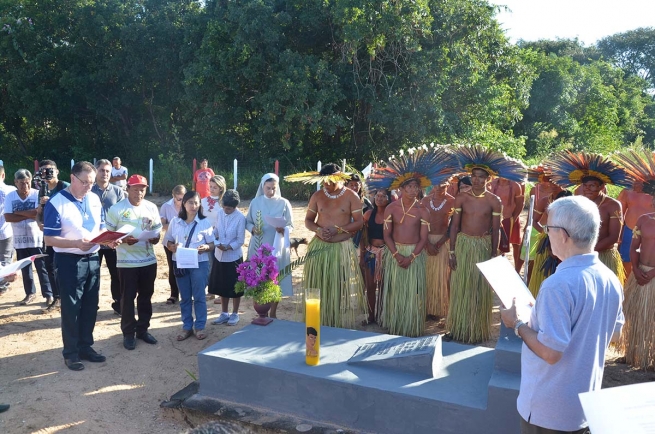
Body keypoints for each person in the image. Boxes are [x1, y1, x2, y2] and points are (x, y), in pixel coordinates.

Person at [501, 196, 624, 434]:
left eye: (548, 229)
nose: (547, 235)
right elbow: (616, 333)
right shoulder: (610, 278)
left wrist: (516, 324)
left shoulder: (558, 285)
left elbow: (550, 352)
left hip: (548, 410)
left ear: (564, 235)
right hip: (584, 405)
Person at [447, 145, 525, 343]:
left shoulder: (494, 201)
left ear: (488, 179)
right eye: (474, 176)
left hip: (483, 246)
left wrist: (493, 254)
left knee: (479, 289)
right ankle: (457, 329)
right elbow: (454, 226)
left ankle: (476, 331)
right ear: (470, 176)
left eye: (481, 176)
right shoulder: (461, 198)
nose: (477, 179)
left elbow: (496, 228)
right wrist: (452, 251)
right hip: (463, 245)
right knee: (460, 288)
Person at [44, 161, 110, 371]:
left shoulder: (94, 198)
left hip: (92, 258)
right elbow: (49, 240)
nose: (89, 187)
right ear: (72, 178)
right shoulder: (57, 202)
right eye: (85, 182)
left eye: (92, 182)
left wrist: (109, 239)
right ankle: (70, 353)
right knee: (72, 308)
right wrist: (75, 244)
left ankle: (85, 347)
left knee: (91, 305)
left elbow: (101, 227)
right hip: (69, 261)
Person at [285, 163, 366, 329]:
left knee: (336, 285)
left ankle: (333, 320)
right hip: (319, 246)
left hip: (340, 247)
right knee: (316, 286)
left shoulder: (351, 196)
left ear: (339, 178)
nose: (326, 185)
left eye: (330, 181)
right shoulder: (317, 196)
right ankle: (316, 322)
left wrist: (338, 230)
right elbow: (308, 221)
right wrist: (319, 230)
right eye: (324, 182)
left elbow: (359, 223)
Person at [547, 150, 631, 285]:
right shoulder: (578, 202)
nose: (588, 189)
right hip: (578, 255)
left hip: (602, 256)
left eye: (592, 185)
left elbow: (613, 237)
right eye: (585, 186)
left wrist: (585, 252)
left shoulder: (613, 205)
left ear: (602, 187)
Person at [105, 174, 162, 350]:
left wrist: (154, 239)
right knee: (128, 299)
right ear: (127, 189)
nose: (139, 193)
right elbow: (108, 237)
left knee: (146, 297)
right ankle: (128, 334)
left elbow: (157, 233)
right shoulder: (117, 209)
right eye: (135, 189)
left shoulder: (151, 207)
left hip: (148, 260)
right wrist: (122, 240)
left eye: (142, 189)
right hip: (126, 263)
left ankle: (143, 330)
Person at [164, 191, 215, 341]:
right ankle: (187, 327)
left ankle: (200, 326)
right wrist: (171, 246)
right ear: (184, 204)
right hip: (180, 263)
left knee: (199, 296)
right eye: (190, 202)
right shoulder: (175, 222)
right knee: (185, 297)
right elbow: (167, 240)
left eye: (196, 203)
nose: (193, 206)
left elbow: (212, 243)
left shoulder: (204, 222)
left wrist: (206, 247)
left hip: (200, 263)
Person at [245, 173, 293, 318]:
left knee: (275, 279)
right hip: (258, 244)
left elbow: (291, 225)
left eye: (273, 188)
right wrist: (253, 229)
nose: (271, 191)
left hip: (277, 245)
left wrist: (283, 229)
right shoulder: (255, 202)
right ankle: (260, 311)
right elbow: (248, 222)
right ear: (262, 186)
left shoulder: (284, 203)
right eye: (268, 188)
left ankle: (273, 312)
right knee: (258, 277)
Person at [4, 169, 53, 306]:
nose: (24, 186)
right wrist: (31, 214)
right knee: (25, 269)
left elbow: (40, 213)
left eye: (27, 182)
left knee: (42, 267)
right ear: (15, 182)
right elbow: (8, 217)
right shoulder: (10, 196)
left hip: (36, 238)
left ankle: (48, 294)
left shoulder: (37, 194)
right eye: (21, 183)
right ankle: (30, 293)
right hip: (20, 240)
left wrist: (18, 212)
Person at [34, 159, 70, 311]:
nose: (47, 173)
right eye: (43, 171)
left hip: (65, 235)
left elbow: (73, 209)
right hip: (49, 235)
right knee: (49, 266)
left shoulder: (65, 187)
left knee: (65, 267)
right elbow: (38, 213)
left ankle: (67, 297)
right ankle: (57, 297)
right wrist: (39, 222)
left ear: (57, 171)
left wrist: (52, 202)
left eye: (50, 170)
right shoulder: (42, 189)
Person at [91, 159, 125, 315]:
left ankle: (118, 303)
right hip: (94, 240)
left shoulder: (117, 192)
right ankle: (92, 304)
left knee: (116, 274)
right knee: (92, 274)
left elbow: (123, 215)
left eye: (107, 171)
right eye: (102, 170)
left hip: (112, 241)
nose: (104, 173)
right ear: (96, 171)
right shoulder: (88, 190)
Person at [209, 189, 245, 326]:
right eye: (224, 207)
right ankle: (224, 313)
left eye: (229, 209)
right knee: (222, 285)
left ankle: (235, 313)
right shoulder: (219, 213)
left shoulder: (240, 218)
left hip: (233, 257)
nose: (226, 210)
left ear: (235, 207)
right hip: (219, 255)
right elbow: (216, 230)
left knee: (235, 287)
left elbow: (240, 240)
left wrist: (228, 247)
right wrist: (212, 237)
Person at [420, 181, 455, 320]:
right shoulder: (424, 200)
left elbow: (453, 226)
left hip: (443, 242)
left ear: (448, 185)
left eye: (443, 185)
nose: (439, 187)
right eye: (436, 184)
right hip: (426, 240)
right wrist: (426, 243)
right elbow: (419, 222)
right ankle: (427, 308)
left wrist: (440, 243)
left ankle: (439, 309)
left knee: (441, 276)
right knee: (427, 275)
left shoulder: (452, 201)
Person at [360, 188, 391, 325]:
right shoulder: (367, 214)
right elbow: (362, 236)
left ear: (389, 198)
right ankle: (371, 316)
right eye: (378, 195)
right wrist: (362, 255)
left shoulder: (392, 215)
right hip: (371, 253)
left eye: (383, 196)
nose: (379, 198)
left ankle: (382, 316)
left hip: (387, 254)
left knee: (384, 287)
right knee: (370, 286)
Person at [617, 180, 654, 278]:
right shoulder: (627, 190)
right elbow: (620, 213)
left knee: (647, 262)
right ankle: (626, 286)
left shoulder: (652, 189)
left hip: (650, 234)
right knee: (626, 261)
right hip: (629, 230)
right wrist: (619, 234)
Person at [488, 177, 524, 268]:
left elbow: (520, 204)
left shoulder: (515, 186)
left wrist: (513, 219)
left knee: (502, 248)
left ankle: (502, 269)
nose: (504, 177)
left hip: (507, 219)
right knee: (490, 244)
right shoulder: (491, 183)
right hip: (491, 219)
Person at [160, 185, 187, 304]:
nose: (181, 202)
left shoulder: (189, 204)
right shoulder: (166, 206)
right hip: (170, 240)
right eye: (179, 199)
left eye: (183, 198)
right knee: (172, 267)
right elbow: (162, 225)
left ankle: (186, 294)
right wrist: (175, 225)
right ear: (173, 196)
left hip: (186, 240)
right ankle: (174, 294)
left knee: (187, 266)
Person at [0, 164, 16, 296]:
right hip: (6, 230)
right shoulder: (10, 190)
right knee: (5, 259)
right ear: (3, 175)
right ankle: (2, 285)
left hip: (5, 230)